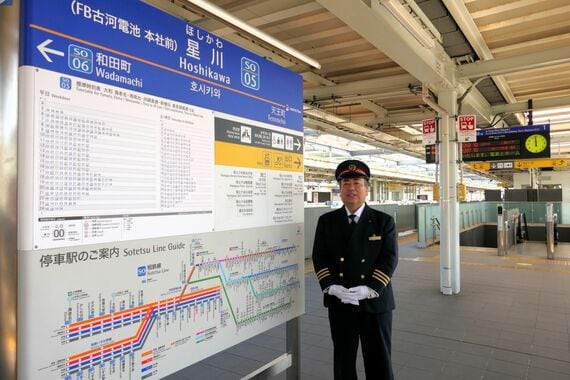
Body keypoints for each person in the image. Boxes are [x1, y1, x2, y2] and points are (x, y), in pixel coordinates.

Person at [312, 159, 398, 380]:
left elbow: (389, 259)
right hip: (341, 302)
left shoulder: (383, 221)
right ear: (339, 190)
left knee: (379, 359)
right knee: (343, 360)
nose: (351, 188)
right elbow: (319, 257)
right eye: (346, 183)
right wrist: (330, 286)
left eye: (357, 182)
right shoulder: (327, 221)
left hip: (374, 302)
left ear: (367, 188)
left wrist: (371, 289)